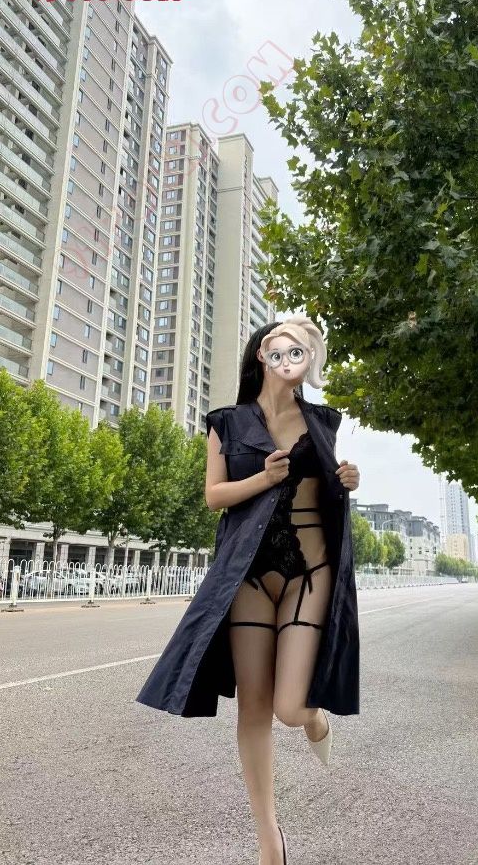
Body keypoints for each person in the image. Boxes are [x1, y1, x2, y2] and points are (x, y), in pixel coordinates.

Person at [135, 314, 361, 865]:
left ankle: (313, 718)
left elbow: (330, 490)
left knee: (290, 708)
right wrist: (264, 477)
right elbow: (214, 496)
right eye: (285, 348)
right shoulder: (227, 423)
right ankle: (270, 841)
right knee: (255, 710)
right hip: (249, 575)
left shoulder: (323, 422)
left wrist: (348, 481)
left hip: (311, 570)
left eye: (304, 350)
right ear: (264, 353)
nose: (293, 358)